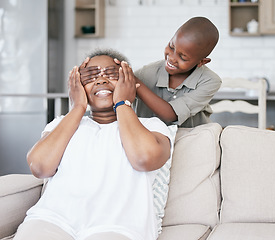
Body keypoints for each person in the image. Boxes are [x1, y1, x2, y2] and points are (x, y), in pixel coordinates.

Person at [14, 49, 172, 240]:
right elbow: (40, 167)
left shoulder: (151, 127)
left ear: (128, 81)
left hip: (119, 227)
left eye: (112, 74)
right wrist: (77, 107)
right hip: (52, 219)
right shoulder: (62, 124)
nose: (101, 80)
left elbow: (144, 159)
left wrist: (122, 102)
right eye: (91, 76)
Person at [133, 16, 222, 127]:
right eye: (171, 46)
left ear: (202, 62)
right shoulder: (145, 74)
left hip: (193, 138)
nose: (172, 58)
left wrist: (135, 83)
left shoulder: (210, 81)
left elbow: (172, 114)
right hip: (149, 140)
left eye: (183, 57)